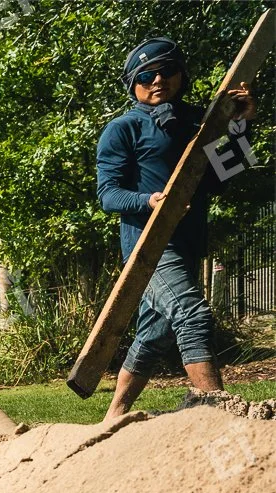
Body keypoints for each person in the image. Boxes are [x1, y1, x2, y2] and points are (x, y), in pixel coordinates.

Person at [96, 37, 256, 421]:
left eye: (167, 71)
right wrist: (148, 201)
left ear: (181, 75)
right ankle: (216, 410)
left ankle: (112, 417)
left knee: (155, 334)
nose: (158, 80)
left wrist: (243, 125)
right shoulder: (122, 129)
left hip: (187, 243)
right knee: (192, 315)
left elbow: (226, 175)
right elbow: (108, 195)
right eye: (146, 75)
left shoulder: (200, 123)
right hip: (148, 248)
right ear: (132, 85)